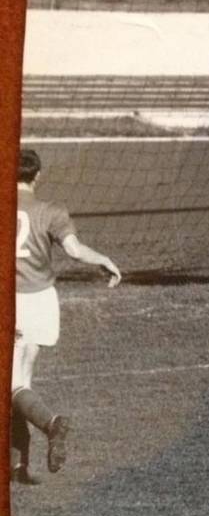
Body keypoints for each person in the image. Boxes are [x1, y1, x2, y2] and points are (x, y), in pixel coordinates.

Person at [12, 148, 122, 484]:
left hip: (13, 304)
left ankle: (51, 423)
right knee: (21, 382)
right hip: (43, 302)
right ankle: (18, 469)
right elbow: (74, 250)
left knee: (12, 385)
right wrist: (104, 259)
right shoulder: (52, 212)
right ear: (38, 176)